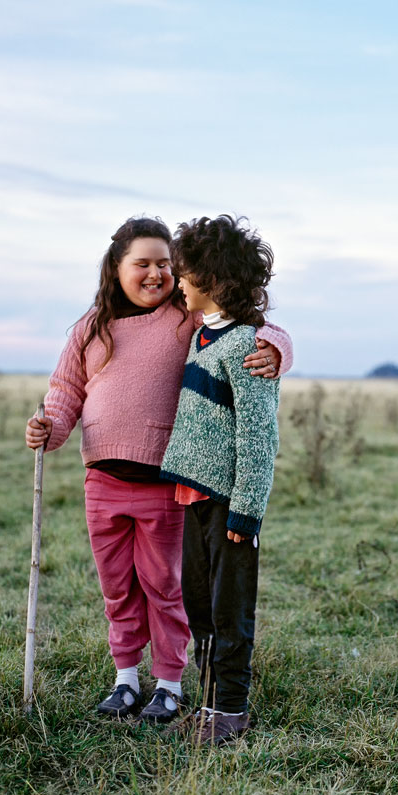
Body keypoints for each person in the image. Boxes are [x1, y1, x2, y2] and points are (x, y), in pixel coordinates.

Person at [24, 216, 292, 724]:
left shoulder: (183, 315)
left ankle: (169, 684)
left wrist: (278, 349)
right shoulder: (92, 325)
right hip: (101, 481)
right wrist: (48, 428)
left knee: (165, 586)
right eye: (142, 263)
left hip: (165, 484)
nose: (156, 274)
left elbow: (246, 324)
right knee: (117, 586)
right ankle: (126, 678)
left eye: (166, 265)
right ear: (116, 267)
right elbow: (65, 393)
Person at [159, 214, 280, 745]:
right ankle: (207, 705)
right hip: (194, 496)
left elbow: (258, 437)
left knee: (230, 611)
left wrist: (247, 510)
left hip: (229, 503)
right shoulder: (203, 334)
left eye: (184, 273)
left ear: (210, 277)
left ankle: (230, 712)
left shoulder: (249, 348)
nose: (177, 281)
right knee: (198, 605)